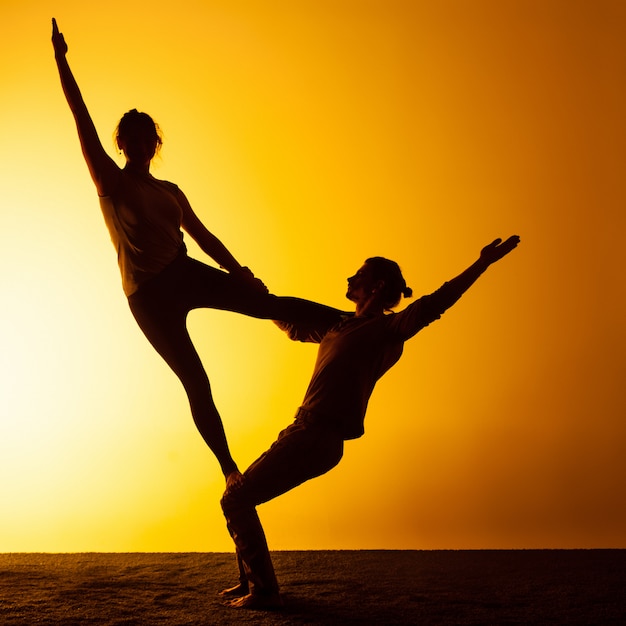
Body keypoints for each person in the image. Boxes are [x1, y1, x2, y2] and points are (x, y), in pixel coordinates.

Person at [51, 18, 345, 489]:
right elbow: (81, 117)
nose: (141, 141)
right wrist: (61, 62)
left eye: (149, 135)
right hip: (147, 296)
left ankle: (345, 323)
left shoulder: (170, 191)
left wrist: (239, 272)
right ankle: (230, 471)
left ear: (156, 143)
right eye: (132, 135)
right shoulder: (112, 182)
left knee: (267, 304)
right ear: (121, 143)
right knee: (196, 380)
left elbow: (205, 237)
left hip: (183, 272)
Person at [220, 235, 520, 609]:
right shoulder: (339, 325)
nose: (349, 278)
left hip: (319, 436)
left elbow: (434, 304)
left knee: (236, 500)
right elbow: (290, 323)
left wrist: (481, 264)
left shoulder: (387, 331)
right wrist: (251, 287)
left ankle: (265, 592)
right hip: (302, 430)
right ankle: (250, 580)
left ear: (376, 287)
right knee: (241, 497)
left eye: (358, 275)